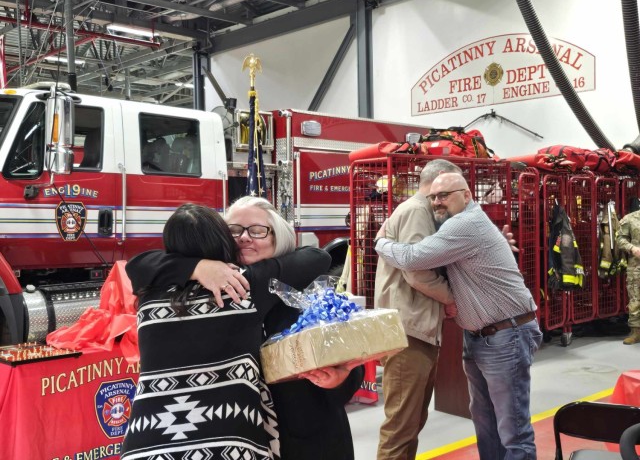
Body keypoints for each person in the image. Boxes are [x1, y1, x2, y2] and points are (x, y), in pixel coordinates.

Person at [126, 196, 364, 460]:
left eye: (258, 230)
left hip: (305, 441)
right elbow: (139, 264)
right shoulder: (206, 290)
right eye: (233, 230)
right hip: (239, 442)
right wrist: (196, 267)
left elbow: (350, 364)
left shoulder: (306, 293)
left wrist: (339, 379)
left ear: (279, 237)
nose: (244, 238)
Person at [375, 172, 541, 460]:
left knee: (514, 430)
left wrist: (381, 241)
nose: (437, 203)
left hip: (505, 335)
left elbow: (414, 260)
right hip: (481, 336)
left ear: (467, 195)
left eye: (445, 195)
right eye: (433, 197)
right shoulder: (460, 224)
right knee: (486, 421)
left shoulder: (465, 224)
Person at [120, 203, 280, 460]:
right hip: (227, 441)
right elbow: (318, 258)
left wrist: (193, 267)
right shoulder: (244, 288)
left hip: (147, 442)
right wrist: (203, 267)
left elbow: (136, 265)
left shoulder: (147, 297)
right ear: (222, 239)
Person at [375, 159, 459, 460]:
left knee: (412, 422)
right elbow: (417, 270)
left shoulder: (421, 211)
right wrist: (451, 298)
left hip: (416, 327)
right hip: (407, 330)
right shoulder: (416, 211)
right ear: (441, 182)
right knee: (401, 426)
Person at [617, 208, 640, 345]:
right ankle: (636, 332)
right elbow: (620, 239)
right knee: (635, 300)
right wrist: (632, 248)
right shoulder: (630, 218)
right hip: (636, 267)